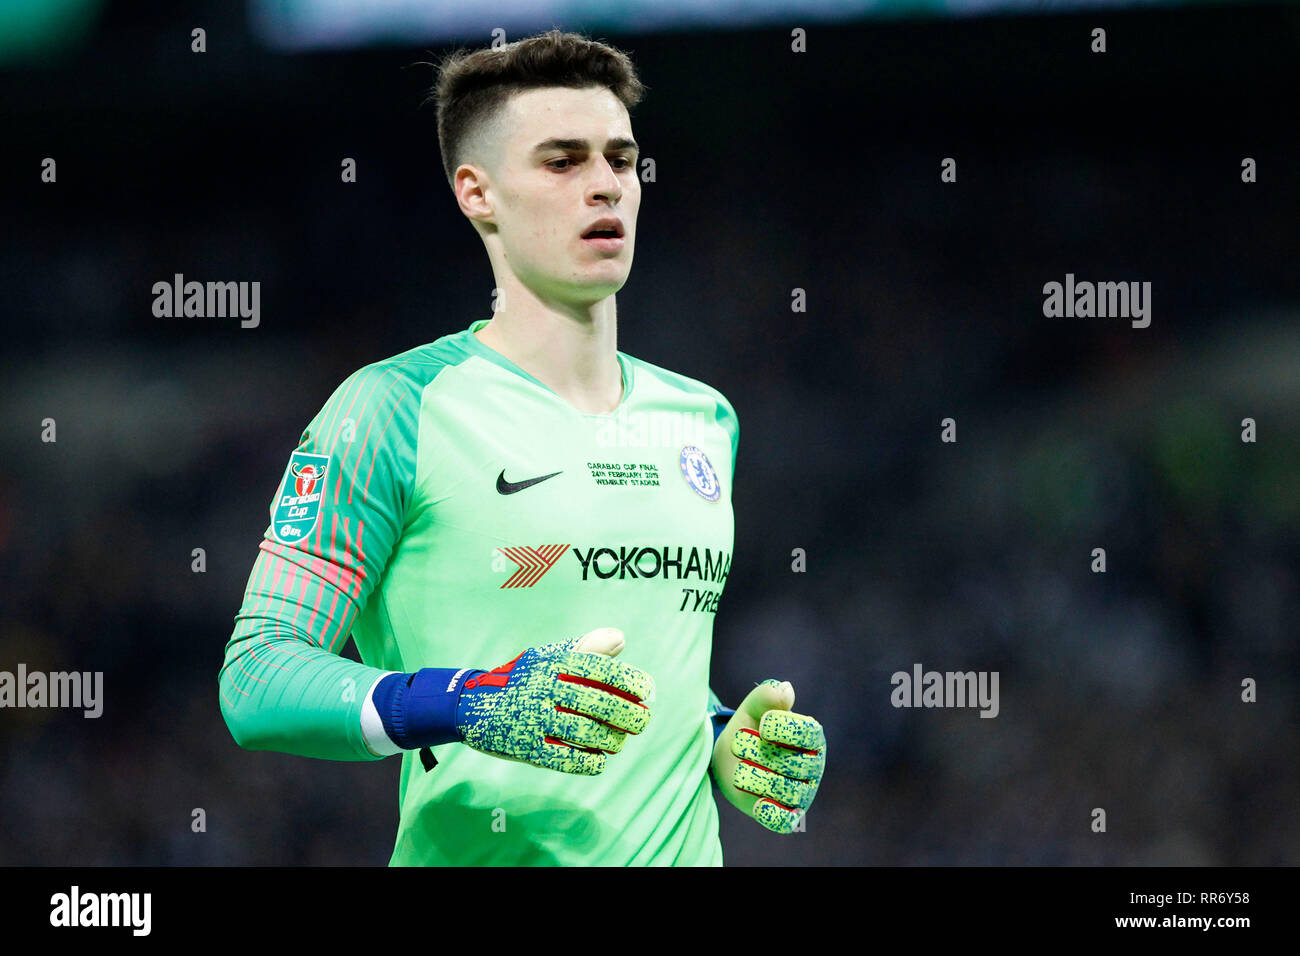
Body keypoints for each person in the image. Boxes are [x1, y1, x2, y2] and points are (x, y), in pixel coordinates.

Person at [218, 27, 825, 866]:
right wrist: (464, 703)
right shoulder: (393, 410)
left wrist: (722, 741)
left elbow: (645, 668)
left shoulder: (703, 419)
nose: (606, 186)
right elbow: (256, 679)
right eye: (562, 161)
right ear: (477, 193)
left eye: (621, 158)